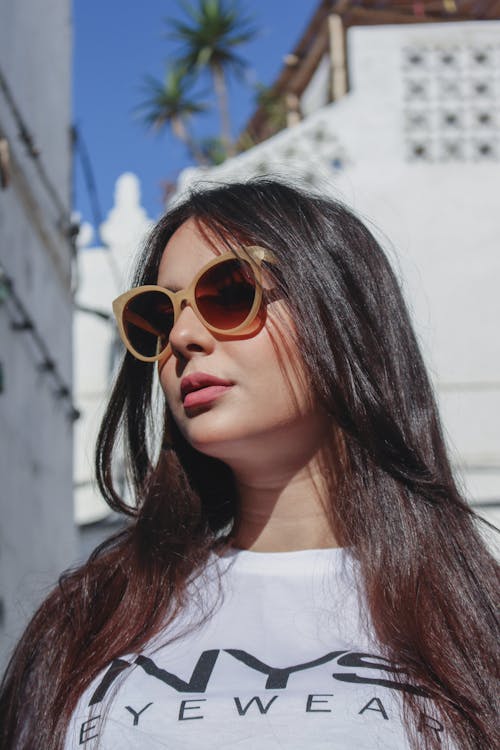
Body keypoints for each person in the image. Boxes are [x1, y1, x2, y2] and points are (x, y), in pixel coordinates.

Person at [0, 178, 498, 750]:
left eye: (230, 292)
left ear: (339, 315)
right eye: (159, 317)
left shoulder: (477, 627)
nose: (183, 337)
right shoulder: (90, 618)